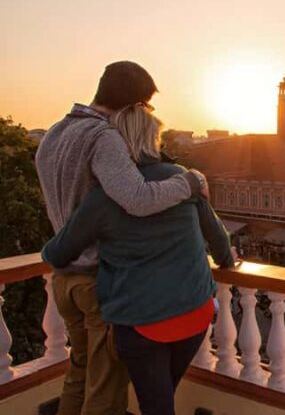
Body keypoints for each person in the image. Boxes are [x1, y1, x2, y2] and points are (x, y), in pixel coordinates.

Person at [35, 61, 208, 415]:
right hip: (96, 283)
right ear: (134, 106)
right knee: (105, 392)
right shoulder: (103, 137)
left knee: (79, 374)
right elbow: (138, 199)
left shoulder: (54, 132)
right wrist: (188, 182)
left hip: (64, 280)